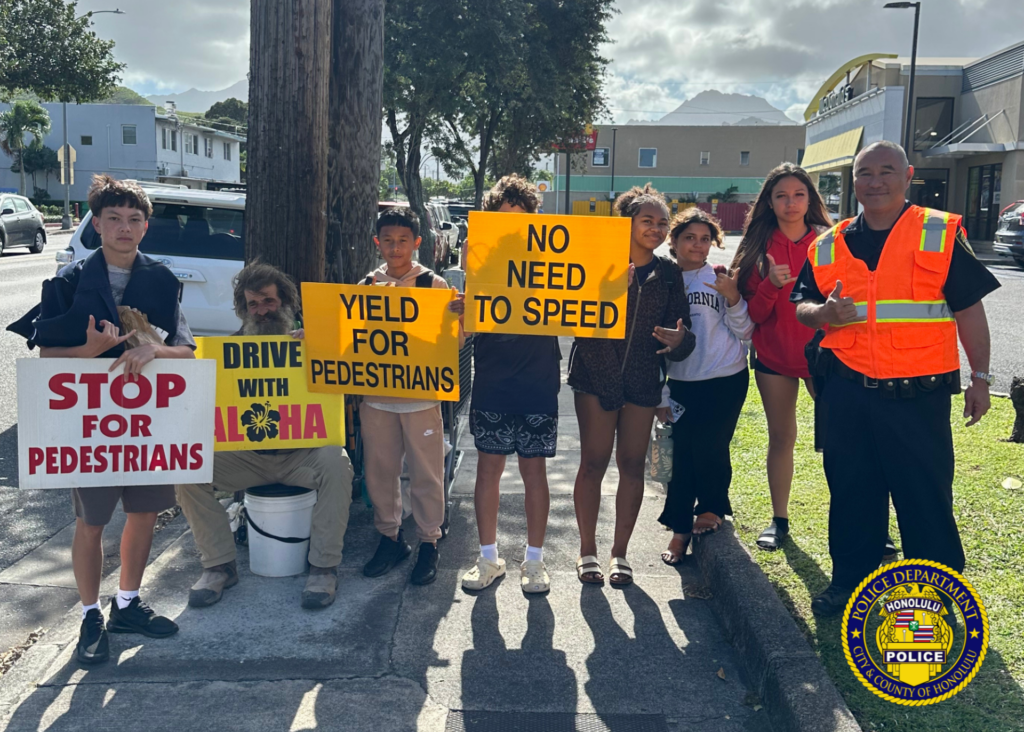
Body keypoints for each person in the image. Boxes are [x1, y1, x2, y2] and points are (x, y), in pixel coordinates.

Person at [791, 140, 1000, 616]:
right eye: (865, 172)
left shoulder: (937, 232)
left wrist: (981, 378)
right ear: (854, 181)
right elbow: (801, 305)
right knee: (851, 494)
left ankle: (937, 596)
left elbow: (969, 310)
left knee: (924, 498)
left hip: (917, 397)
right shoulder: (828, 243)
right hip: (847, 391)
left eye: (887, 171)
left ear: (908, 177)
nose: (876, 181)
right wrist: (822, 311)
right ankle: (850, 584)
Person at [7, 175, 196, 665]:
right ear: (96, 223)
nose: (124, 227)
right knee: (91, 521)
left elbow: (187, 352)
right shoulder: (69, 283)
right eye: (113, 218)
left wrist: (156, 348)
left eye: (134, 219)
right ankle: (90, 613)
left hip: (147, 425)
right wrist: (86, 352)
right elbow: (47, 355)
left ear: (146, 226)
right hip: (91, 428)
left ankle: (127, 603)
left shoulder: (161, 280)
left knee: (145, 514)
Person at [175, 263, 354, 610]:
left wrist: (319, 346)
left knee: (338, 463)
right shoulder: (228, 352)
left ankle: (324, 567)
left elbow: (347, 387)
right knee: (187, 470)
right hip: (248, 457)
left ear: (286, 302)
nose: (262, 311)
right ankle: (218, 566)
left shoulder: (313, 341)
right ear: (243, 310)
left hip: (303, 455)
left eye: (268, 302)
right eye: (253, 305)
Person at [568, 184, 694, 586]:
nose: (655, 229)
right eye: (647, 221)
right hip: (593, 378)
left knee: (632, 465)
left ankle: (619, 553)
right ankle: (587, 550)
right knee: (593, 462)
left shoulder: (670, 274)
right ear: (627, 223)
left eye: (662, 223)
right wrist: (609, 291)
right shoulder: (599, 264)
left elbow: (683, 332)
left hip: (643, 383)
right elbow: (577, 324)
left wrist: (680, 341)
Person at [459, 175, 561, 594]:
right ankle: (488, 558)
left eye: (521, 221)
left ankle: (534, 562)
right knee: (489, 470)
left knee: (534, 472)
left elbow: (586, 299)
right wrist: (462, 295)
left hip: (538, 380)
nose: (512, 229)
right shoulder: (477, 264)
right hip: (493, 380)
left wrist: (613, 288)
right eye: (503, 221)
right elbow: (463, 326)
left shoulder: (556, 265)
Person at [359, 207, 464, 586]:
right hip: (376, 400)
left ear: (417, 243)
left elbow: (453, 343)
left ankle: (428, 542)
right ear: (377, 243)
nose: (395, 247)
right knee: (380, 474)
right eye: (388, 240)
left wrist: (459, 318)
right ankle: (389, 538)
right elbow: (344, 337)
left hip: (422, 399)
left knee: (427, 475)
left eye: (403, 240)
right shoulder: (367, 287)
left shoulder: (433, 286)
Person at [731, 163, 831, 551]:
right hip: (773, 358)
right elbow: (753, 315)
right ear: (769, 203)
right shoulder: (758, 248)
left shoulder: (831, 240)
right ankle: (779, 519)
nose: (791, 203)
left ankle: (868, 523)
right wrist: (772, 285)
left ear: (810, 200)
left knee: (843, 441)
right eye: (781, 196)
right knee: (781, 438)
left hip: (826, 357)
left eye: (799, 194)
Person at [657, 209, 753, 563]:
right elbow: (653, 347)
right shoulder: (662, 280)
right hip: (681, 382)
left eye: (705, 238)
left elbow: (745, 332)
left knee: (711, 448)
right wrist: (662, 393)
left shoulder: (720, 276)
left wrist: (733, 297)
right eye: (689, 237)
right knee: (680, 456)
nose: (698, 245)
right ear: (675, 241)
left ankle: (711, 509)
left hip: (725, 377)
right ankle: (679, 530)